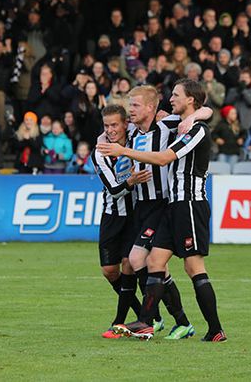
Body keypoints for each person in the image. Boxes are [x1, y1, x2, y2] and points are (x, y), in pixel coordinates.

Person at [98, 79, 226, 342]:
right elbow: (112, 130)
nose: (171, 99)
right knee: (152, 261)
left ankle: (212, 329)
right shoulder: (137, 131)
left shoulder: (180, 126)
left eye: (176, 95)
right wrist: (107, 137)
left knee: (192, 266)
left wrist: (124, 151)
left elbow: (167, 155)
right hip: (166, 206)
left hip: (187, 203)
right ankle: (149, 321)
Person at [91, 104, 152, 338]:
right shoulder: (100, 152)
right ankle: (142, 313)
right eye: (106, 126)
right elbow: (115, 191)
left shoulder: (136, 138)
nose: (110, 130)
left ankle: (119, 322)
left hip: (135, 215)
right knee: (109, 271)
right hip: (112, 215)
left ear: (125, 124)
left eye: (114, 124)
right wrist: (132, 181)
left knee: (128, 264)